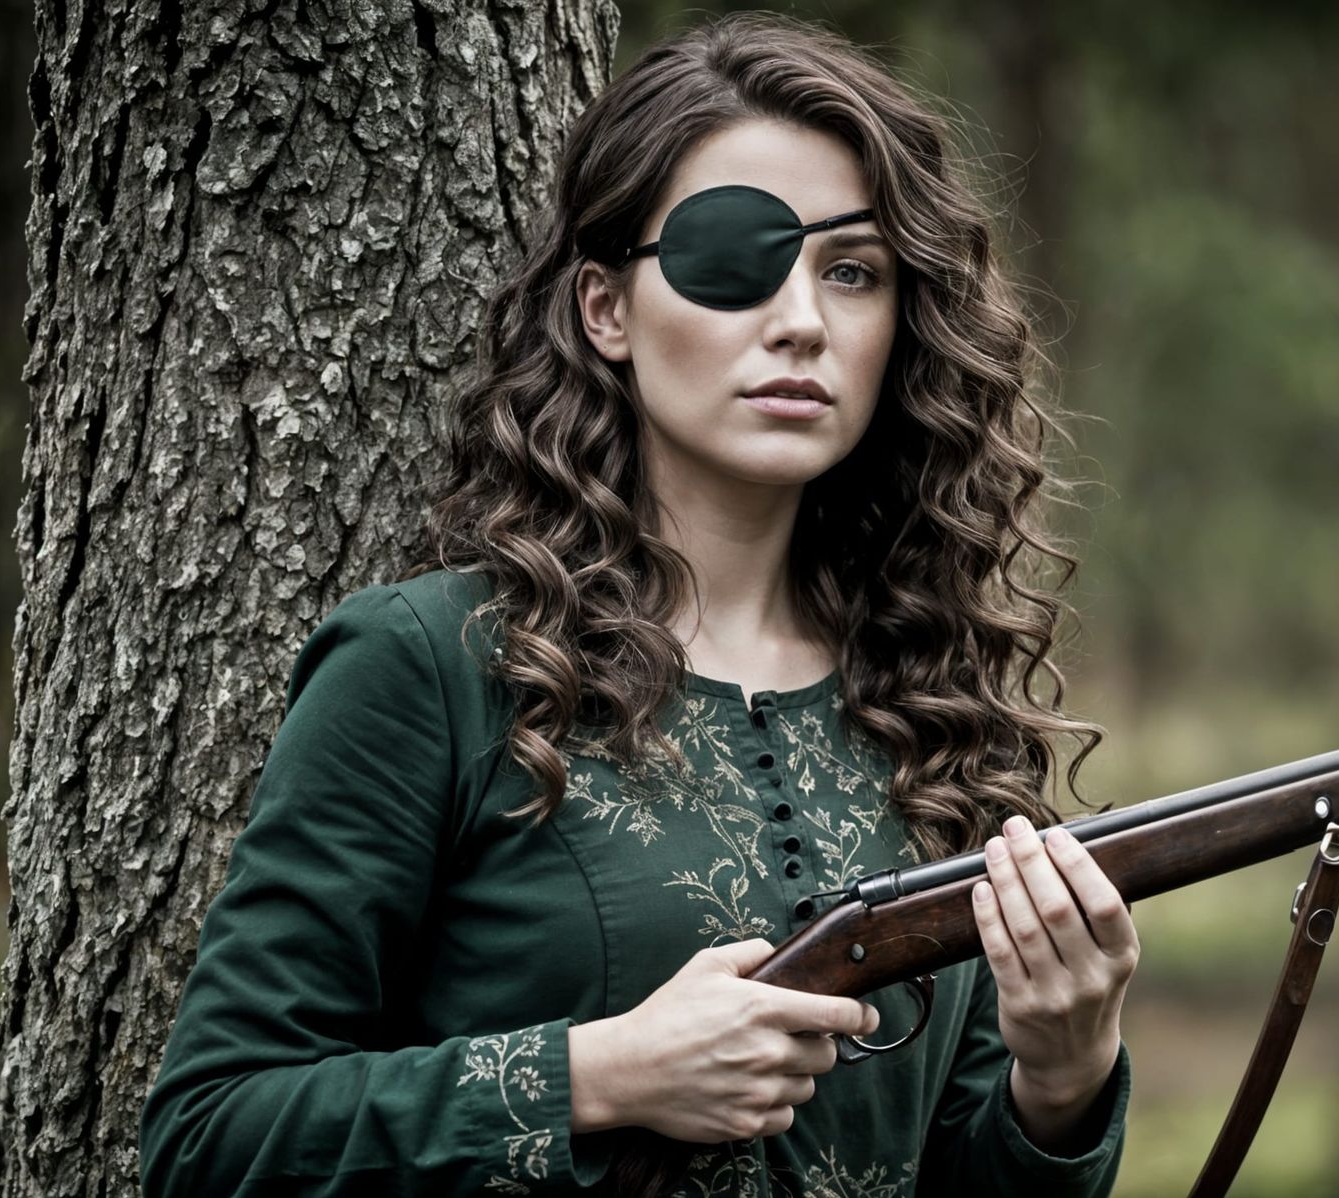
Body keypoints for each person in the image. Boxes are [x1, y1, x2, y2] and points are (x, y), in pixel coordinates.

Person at [138, 11, 1139, 1196]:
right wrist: (599, 1074)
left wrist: (1063, 1079)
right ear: (606, 309)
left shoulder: (934, 706)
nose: (803, 319)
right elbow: (210, 1137)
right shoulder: (430, 665)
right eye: (734, 257)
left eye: (853, 271)